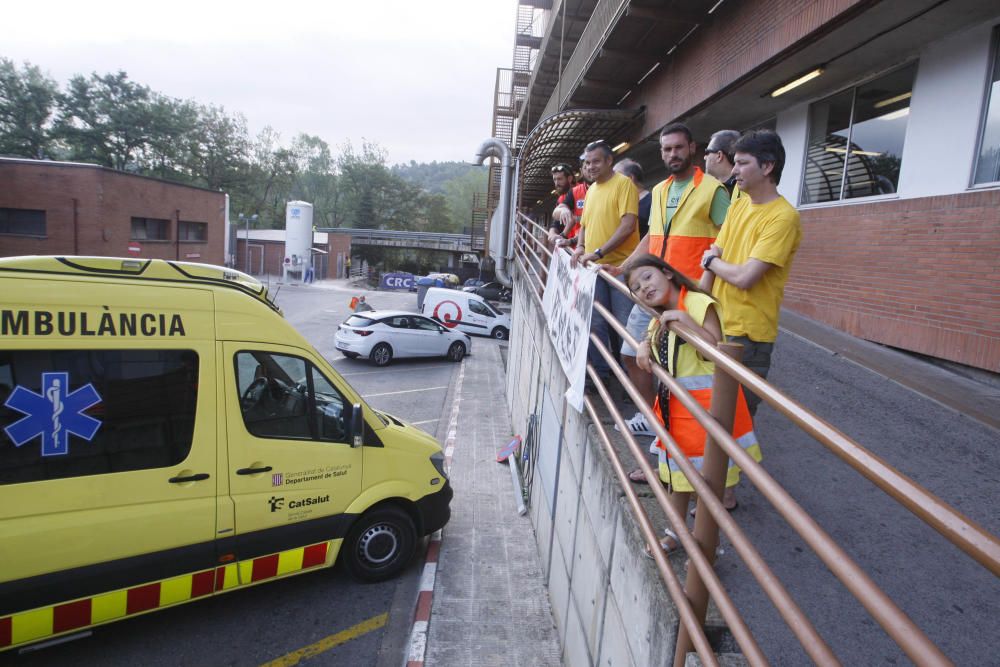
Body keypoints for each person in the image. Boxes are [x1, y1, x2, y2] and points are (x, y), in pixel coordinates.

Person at [610, 124, 731, 462]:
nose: (672, 154)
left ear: (692, 148)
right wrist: (624, 268)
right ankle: (652, 419)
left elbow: (728, 242)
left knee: (676, 368)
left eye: (678, 148)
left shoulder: (712, 190)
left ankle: (669, 430)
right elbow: (652, 238)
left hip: (685, 295)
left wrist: (702, 290)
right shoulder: (660, 190)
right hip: (652, 290)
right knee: (632, 353)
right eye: (666, 149)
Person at [626, 254, 759, 552]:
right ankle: (676, 534)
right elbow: (653, 338)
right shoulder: (661, 313)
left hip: (709, 417)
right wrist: (645, 344)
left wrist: (686, 322)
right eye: (636, 287)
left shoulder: (697, 303)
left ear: (668, 273)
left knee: (706, 488)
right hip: (679, 415)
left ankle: (704, 552)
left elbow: (717, 350)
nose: (644, 287)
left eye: (647, 277)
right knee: (677, 479)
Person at [699, 129, 802, 417]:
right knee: (707, 416)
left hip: (747, 336)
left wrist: (711, 263)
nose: (734, 170)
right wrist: (696, 305)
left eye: (743, 163)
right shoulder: (739, 204)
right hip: (716, 323)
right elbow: (716, 253)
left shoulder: (783, 217)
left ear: (767, 167)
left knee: (733, 423)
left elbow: (746, 278)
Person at [570, 139, 640, 387]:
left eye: (596, 161)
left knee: (624, 329)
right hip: (594, 270)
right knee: (596, 323)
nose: (591, 167)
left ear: (609, 161)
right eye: (587, 163)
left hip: (620, 269)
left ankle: (630, 385)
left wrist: (598, 252)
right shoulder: (590, 191)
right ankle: (600, 377)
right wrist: (580, 247)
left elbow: (628, 224)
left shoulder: (624, 185)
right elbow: (585, 225)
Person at [547, 163, 588, 248]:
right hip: (569, 246)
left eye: (559, 179)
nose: (556, 183)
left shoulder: (584, 191)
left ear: (569, 178)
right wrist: (552, 234)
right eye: (554, 179)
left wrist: (564, 235)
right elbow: (557, 222)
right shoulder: (561, 198)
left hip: (585, 246)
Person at [703, 129, 741, 196]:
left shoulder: (745, 188)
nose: (705, 157)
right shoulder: (709, 188)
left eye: (707, 152)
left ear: (719, 156)